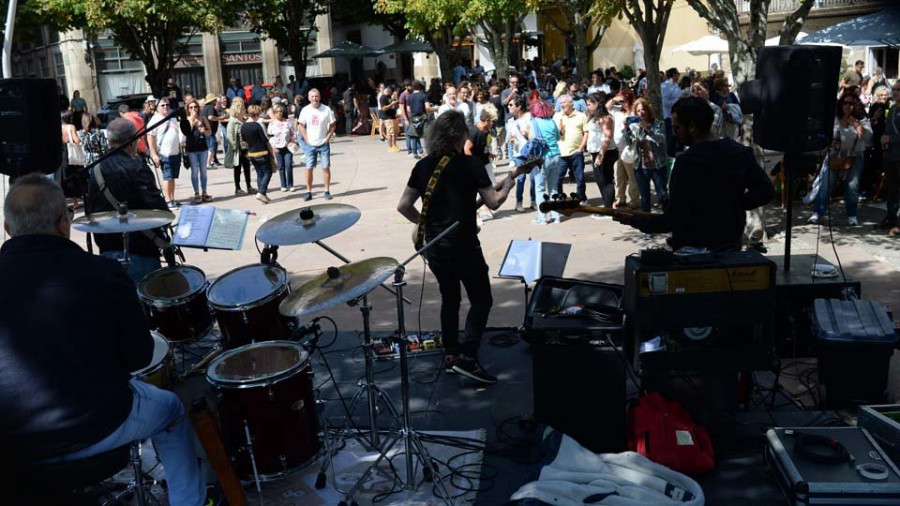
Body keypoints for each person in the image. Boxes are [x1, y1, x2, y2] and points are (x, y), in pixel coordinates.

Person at [1, 174, 205, 506]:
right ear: (64, 224)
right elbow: (139, 358)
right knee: (171, 408)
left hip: (10, 439)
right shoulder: (103, 273)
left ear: (8, 227)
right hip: (93, 427)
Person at [397, 111, 525, 385]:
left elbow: (403, 206)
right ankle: (468, 356)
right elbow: (493, 202)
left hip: (435, 246)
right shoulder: (471, 165)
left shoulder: (423, 166)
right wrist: (509, 184)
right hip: (464, 245)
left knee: (450, 298)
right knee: (481, 298)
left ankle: (451, 354)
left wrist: (425, 223)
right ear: (459, 136)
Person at [615, 97, 775, 252]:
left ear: (692, 127)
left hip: (693, 252)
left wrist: (633, 220)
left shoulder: (686, 163)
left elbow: (672, 219)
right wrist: (734, 204)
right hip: (729, 243)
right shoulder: (739, 152)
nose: (674, 133)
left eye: (677, 128)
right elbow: (765, 191)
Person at [89, 119, 171, 282]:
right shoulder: (136, 167)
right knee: (146, 304)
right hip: (140, 252)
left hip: (107, 252)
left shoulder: (95, 169)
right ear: (132, 141)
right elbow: (159, 211)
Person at [809, 93, 872, 226]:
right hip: (835, 156)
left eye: (851, 103)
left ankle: (852, 215)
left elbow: (867, 136)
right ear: (841, 105)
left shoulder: (862, 119)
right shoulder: (835, 119)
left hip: (855, 156)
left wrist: (856, 125)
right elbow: (826, 136)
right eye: (845, 103)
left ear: (856, 105)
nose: (848, 106)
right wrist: (830, 144)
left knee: (852, 186)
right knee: (826, 185)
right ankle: (817, 213)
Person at [626, 98, 667, 213]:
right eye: (638, 111)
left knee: (662, 194)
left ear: (648, 111)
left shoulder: (658, 124)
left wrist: (648, 129)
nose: (641, 113)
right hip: (640, 166)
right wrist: (627, 130)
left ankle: (668, 219)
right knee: (644, 197)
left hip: (657, 165)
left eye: (643, 110)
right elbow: (629, 143)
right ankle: (647, 224)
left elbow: (662, 139)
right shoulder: (635, 126)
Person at [297, 88, 336, 201]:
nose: (315, 98)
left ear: (319, 97)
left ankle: (327, 191)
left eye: (316, 96)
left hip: (323, 144)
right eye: (312, 96)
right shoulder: (305, 110)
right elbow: (300, 125)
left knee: (325, 167)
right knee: (309, 168)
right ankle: (309, 191)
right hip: (310, 144)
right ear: (309, 98)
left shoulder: (326, 109)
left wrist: (327, 138)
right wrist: (306, 139)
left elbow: (333, 125)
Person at [607, 90, 640, 209]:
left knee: (632, 177)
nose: (623, 103)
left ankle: (634, 200)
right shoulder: (616, 110)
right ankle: (620, 198)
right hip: (617, 148)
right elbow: (605, 109)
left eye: (625, 100)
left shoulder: (634, 112)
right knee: (618, 176)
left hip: (629, 148)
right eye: (621, 101)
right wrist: (614, 99)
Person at [531, 99, 562, 225]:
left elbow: (532, 139)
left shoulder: (534, 122)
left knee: (540, 189)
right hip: (556, 155)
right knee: (553, 188)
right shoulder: (552, 121)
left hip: (542, 158)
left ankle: (542, 218)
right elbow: (558, 137)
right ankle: (557, 216)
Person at [147, 98, 182, 208]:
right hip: (164, 153)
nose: (165, 107)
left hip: (175, 152)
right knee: (167, 177)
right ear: (157, 107)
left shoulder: (172, 118)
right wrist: (153, 154)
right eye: (162, 105)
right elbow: (150, 138)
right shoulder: (154, 120)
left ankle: (172, 198)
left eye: (167, 104)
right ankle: (167, 201)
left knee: (172, 178)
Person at [554, 94, 589, 203]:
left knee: (580, 179)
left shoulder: (581, 116)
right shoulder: (557, 116)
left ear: (571, 103)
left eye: (564, 102)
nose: (562, 105)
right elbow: (555, 135)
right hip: (562, 154)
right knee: (558, 178)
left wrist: (581, 148)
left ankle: (581, 198)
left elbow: (586, 132)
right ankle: (560, 197)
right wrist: (559, 130)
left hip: (576, 152)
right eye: (560, 103)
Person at [586, 93, 617, 210]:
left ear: (596, 104)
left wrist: (601, 155)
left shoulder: (606, 118)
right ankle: (606, 207)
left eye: (589, 104)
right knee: (600, 180)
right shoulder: (595, 116)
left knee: (606, 180)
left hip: (606, 152)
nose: (587, 107)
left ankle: (608, 209)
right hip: (595, 151)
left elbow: (608, 137)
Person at [241, 105, 276, 203]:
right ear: (256, 114)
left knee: (259, 173)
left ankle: (263, 195)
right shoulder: (257, 125)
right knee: (268, 172)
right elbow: (264, 139)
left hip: (251, 153)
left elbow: (244, 140)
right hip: (262, 152)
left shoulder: (243, 126)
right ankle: (261, 192)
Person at [507, 95, 535, 212]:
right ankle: (519, 203)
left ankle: (533, 201)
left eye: (511, 105)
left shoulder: (529, 117)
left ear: (518, 107)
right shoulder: (510, 121)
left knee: (533, 178)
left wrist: (527, 134)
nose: (508, 107)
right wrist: (511, 157)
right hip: (518, 153)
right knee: (521, 178)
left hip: (531, 152)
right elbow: (509, 139)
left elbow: (534, 134)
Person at [181, 101, 212, 204]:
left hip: (203, 148)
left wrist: (205, 131)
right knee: (194, 171)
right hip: (191, 149)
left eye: (195, 107)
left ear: (198, 108)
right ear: (188, 109)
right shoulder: (187, 120)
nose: (193, 109)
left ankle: (204, 192)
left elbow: (210, 131)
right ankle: (196, 193)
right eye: (191, 107)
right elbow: (186, 133)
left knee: (203, 170)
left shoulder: (202, 118)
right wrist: (192, 122)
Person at [866, 86, 890, 206]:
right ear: (877, 96)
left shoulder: (886, 106)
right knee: (880, 166)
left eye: (885, 95)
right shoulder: (878, 107)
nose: (884, 97)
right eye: (881, 95)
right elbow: (873, 124)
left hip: (880, 140)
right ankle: (879, 190)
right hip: (879, 141)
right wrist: (875, 119)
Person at [225, 97, 255, 196]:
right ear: (238, 110)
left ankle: (249, 186)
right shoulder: (232, 122)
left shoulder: (245, 120)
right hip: (237, 150)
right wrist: (234, 148)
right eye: (243, 109)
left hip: (246, 149)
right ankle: (237, 188)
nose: (244, 110)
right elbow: (230, 136)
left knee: (247, 168)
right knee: (237, 169)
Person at [882, 83, 900, 235]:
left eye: (898, 90)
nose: (895, 92)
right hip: (890, 155)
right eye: (893, 89)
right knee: (891, 188)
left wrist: (891, 138)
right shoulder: (893, 109)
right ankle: (891, 217)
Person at [268, 104, 296, 192]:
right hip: (277, 147)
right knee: (281, 166)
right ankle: (283, 185)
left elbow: (293, 133)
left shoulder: (287, 122)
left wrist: (292, 140)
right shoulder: (272, 124)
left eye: (280, 111)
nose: (279, 113)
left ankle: (290, 184)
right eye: (277, 112)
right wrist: (273, 147)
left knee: (288, 164)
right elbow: (269, 137)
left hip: (287, 147)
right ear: (274, 113)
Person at [661, 68, 683, 157]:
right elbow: (664, 102)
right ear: (674, 75)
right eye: (678, 73)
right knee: (670, 141)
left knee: (674, 141)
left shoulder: (676, 85)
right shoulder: (665, 86)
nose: (678, 75)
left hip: (677, 116)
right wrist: (679, 100)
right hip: (668, 117)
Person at [405, 80, 428, 159]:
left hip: (414, 117)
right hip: (423, 117)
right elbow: (427, 107)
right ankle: (428, 151)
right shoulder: (423, 95)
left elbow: (408, 109)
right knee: (425, 134)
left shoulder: (410, 97)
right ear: (419, 86)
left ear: (413, 87)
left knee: (414, 136)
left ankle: (415, 153)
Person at [200, 93, 222, 168]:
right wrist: (220, 118)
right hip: (210, 131)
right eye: (215, 100)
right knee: (212, 148)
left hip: (206, 131)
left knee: (209, 147)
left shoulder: (205, 108)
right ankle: (207, 164)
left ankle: (208, 162)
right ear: (212, 101)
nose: (216, 101)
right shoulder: (210, 107)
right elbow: (210, 117)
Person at [379, 85, 400, 152]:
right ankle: (390, 147)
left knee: (395, 132)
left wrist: (395, 103)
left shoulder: (389, 96)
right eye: (390, 92)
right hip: (387, 117)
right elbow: (384, 108)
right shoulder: (382, 98)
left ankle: (394, 145)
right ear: (387, 91)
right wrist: (391, 104)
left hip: (393, 116)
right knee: (390, 133)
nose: (391, 94)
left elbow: (393, 104)